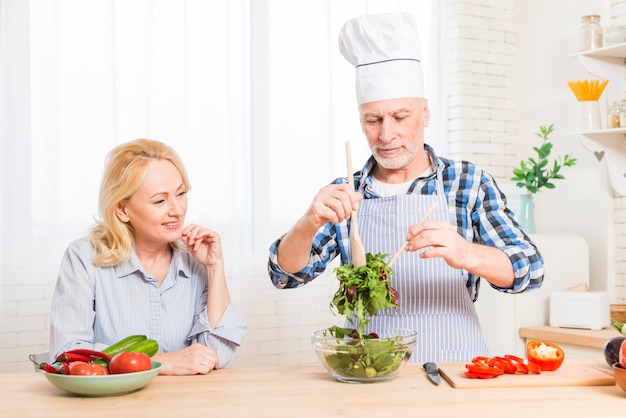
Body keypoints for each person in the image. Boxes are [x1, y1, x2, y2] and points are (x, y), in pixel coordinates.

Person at [267, 12, 544, 362]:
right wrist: (308, 223)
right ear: (361, 120)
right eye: (373, 120)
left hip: (453, 365)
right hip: (370, 365)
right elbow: (285, 276)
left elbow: (531, 269)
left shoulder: (467, 182)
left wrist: (466, 253)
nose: (386, 135)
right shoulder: (344, 192)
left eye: (400, 117)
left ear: (425, 113)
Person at [49, 139, 246, 375]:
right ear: (122, 210)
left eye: (181, 193)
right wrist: (163, 362)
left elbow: (215, 353)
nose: (177, 209)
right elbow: (67, 355)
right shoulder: (83, 258)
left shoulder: (196, 260)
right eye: (160, 200)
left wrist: (214, 267)